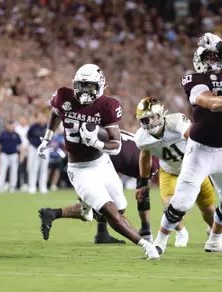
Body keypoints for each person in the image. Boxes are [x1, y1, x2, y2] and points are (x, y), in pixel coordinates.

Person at [37, 64, 159, 259]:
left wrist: (95, 141)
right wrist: (47, 138)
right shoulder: (64, 96)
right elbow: (55, 112)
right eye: (81, 85)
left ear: (101, 86)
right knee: (110, 210)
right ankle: (146, 246)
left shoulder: (107, 105)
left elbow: (116, 145)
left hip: (102, 164)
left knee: (120, 207)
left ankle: (81, 210)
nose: (84, 91)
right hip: (79, 169)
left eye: (89, 86)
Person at [154, 33, 222, 255]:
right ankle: (159, 242)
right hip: (199, 150)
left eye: (215, 56)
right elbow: (210, 103)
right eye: (208, 57)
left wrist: (221, 43)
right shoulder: (194, 79)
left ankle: (215, 241)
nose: (212, 61)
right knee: (182, 202)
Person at [134, 97, 222, 249]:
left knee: (208, 209)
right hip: (169, 171)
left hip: (194, 169)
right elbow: (145, 156)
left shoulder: (176, 122)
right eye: (144, 120)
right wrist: (143, 182)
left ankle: (216, 233)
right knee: (171, 205)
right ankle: (181, 232)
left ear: (160, 115)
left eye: (150, 118)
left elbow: (194, 137)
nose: (147, 123)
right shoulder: (142, 138)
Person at [38, 130, 157, 244]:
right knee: (104, 208)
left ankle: (100, 232)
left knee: (100, 207)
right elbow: (143, 197)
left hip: (99, 146)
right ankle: (56, 214)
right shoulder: (153, 161)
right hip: (103, 155)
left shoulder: (144, 143)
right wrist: (145, 228)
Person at [0, 121, 22, 192]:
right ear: (7, 125)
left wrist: (20, 155)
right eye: (9, 125)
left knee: (14, 171)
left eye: (12, 125)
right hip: (4, 154)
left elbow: (20, 146)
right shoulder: (3, 134)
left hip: (14, 154)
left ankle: (13, 186)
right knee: (2, 170)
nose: (11, 127)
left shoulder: (16, 134)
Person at [27, 113, 49, 194]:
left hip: (45, 149)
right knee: (34, 168)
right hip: (34, 149)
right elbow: (28, 135)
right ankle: (32, 186)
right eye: (40, 117)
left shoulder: (48, 126)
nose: (42, 119)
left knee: (44, 168)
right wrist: (32, 144)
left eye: (43, 117)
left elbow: (51, 136)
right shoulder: (33, 126)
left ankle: (43, 186)